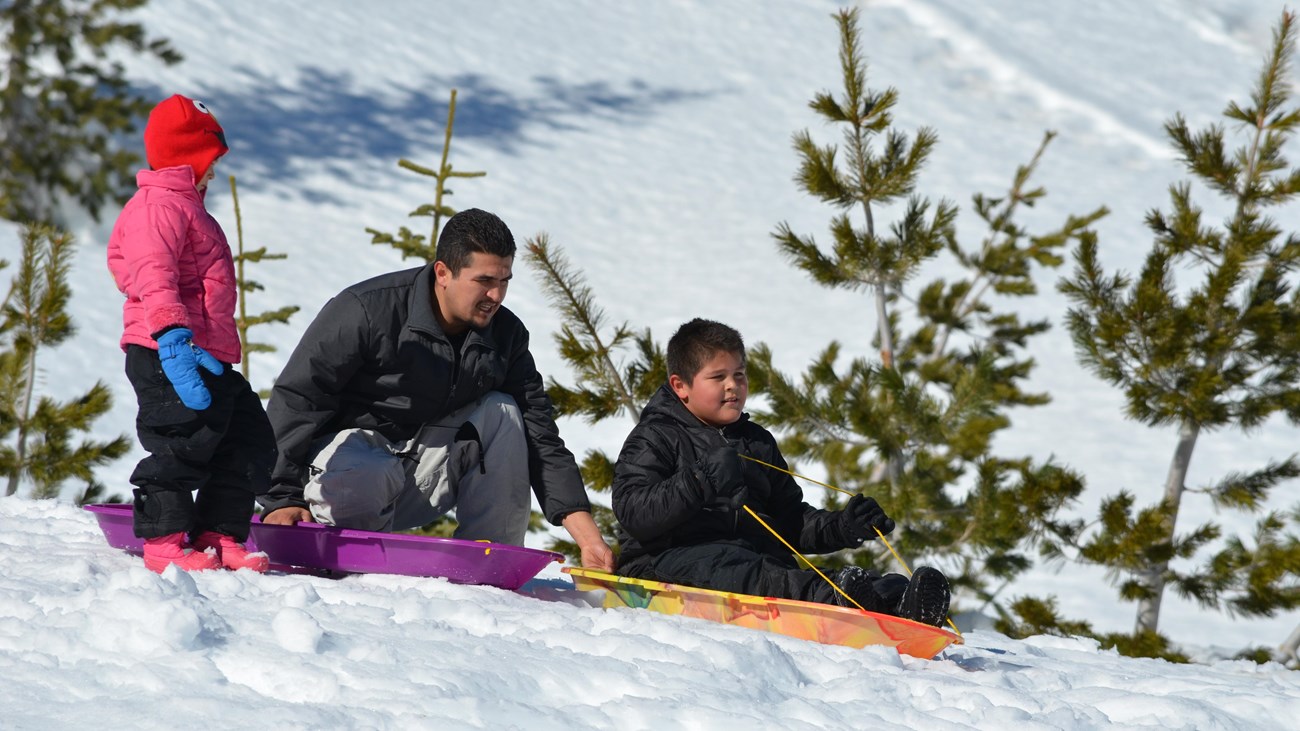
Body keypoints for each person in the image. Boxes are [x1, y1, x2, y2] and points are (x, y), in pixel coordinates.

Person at [259, 208, 614, 571]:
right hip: (341, 478)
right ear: (443, 272)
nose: (497, 294)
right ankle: (351, 563)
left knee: (504, 413)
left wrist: (588, 538)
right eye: (485, 280)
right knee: (369, 470)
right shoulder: (366, 311)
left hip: (415, 474)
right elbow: (299, 397)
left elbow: (541, 435)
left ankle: (488, 567)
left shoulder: (505, 335)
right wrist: (280, 498)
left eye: (505, 280)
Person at [611, 318, 951, 626]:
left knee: (775, 570)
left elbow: (788, 522)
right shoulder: (656, 436)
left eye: (739, 375)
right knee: (751, 572)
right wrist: (700, 479)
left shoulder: (756, 441)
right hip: (666, 562)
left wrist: (843, 527)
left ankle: (894, 601)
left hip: (749, 563)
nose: (733, 386)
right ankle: (841, 604)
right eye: (718, 377)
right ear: (680, 386)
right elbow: (634, 512)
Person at [107, 94, 276, 574]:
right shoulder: (157, 207)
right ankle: (163, 542)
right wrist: (172, 336)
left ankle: (219, 534)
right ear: (189, 155)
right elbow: (152, 273)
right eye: (211, 160)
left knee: (248, 440)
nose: (215, 172)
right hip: (167, 349)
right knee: (180, 441)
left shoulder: (189, 208)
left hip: (208, 354)